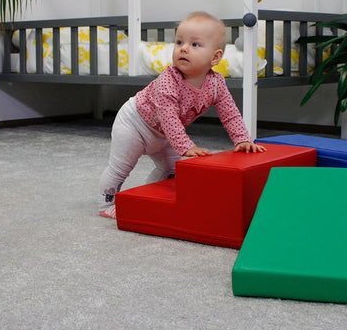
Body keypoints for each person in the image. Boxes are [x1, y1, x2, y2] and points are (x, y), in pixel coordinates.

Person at [98, 11, 266, 219]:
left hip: (163, 134)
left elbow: (230, 114)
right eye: (179, 42)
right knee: (120, 169)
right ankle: (108, 203)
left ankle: (148, 197)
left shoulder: (216, 84)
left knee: (171, 170)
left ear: (215, 57)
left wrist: (242, 139)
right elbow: (169, 118)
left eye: (195, 44)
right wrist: (187, 147)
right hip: (135, 124)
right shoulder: (168, 80)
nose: (183, 48)